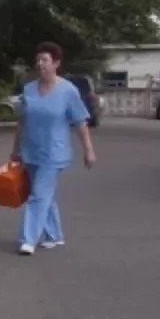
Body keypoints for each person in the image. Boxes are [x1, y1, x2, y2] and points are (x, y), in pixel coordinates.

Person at [9, 42, 96, 255]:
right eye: (38, 60)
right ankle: (54, 235)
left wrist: (88, 150)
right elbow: (22, 120)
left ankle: (28, 239)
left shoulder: (68, 91)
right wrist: (15, 149)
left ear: (56, 63)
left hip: (54, 152)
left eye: (45, 60)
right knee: (43, 194)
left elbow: (80, 121)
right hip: (31, 150)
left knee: (39, 194)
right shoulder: (29, 89)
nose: (40, 64)